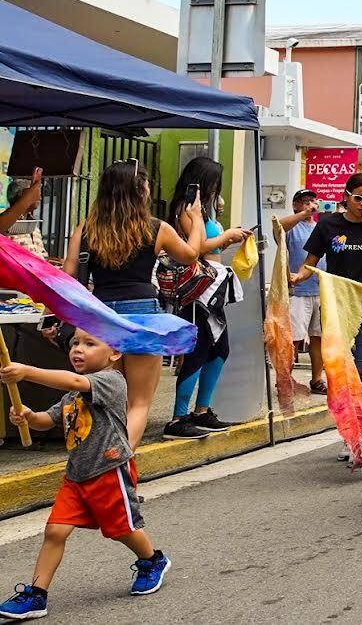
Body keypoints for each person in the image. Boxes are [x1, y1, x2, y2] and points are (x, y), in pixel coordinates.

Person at [0, 332, 172, 620]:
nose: (78, 350)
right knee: (55, 531)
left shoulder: (111, 381)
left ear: (115, 354)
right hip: (77, 476)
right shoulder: (72, 396)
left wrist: (27, 372)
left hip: (108, 470)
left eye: (90, 344)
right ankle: (37, 594)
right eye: (75, 344)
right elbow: (48, 420)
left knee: (121, 530)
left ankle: (152, 560)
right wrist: (29, 416)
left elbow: (76, 381)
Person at [63, 160, 208, 448]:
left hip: (100, 319)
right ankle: (120, 465)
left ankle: (98, 463)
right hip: (143, 316)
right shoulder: (156, 228)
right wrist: (196, 218)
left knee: (105, 399)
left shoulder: (86, 228)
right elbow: (191, 254)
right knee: (138, 403)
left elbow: (68, 276)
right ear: (141, 190)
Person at [294, 172, 362, 467]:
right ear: (346, 196)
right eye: (359, 198)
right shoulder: (328, 225)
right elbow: (309, 265)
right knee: (341, 370)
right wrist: (296, 277)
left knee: (361, 366)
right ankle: (348, 434)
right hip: (337, 307)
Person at [162, 157, 253, 441]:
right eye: (214, 183)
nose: (217, 188)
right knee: (198, 350)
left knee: (218, 349)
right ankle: (180, 415)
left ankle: (202, 410)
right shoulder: (187, 210)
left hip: (212, 286)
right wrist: (226, 235)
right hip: (196, 290)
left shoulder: (200, 210)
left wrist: (226, 237)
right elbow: (196, 247)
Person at [279, 189, 327, 395]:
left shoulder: (320, 228)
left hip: (321, 290)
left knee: (319, 338)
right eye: (304, 201)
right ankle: (284, 380)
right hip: (298, 291)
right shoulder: (291, 228)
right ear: (296, 205)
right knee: (294, 339)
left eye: (312, 200)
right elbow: (278, 227)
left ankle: (317, 379)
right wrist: (302, 214)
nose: (310, 204)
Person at [1, 168, 45, 256]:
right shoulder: (8, 226)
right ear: (21, 195)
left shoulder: (33, 226)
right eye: (34, 193)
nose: (39, 198)